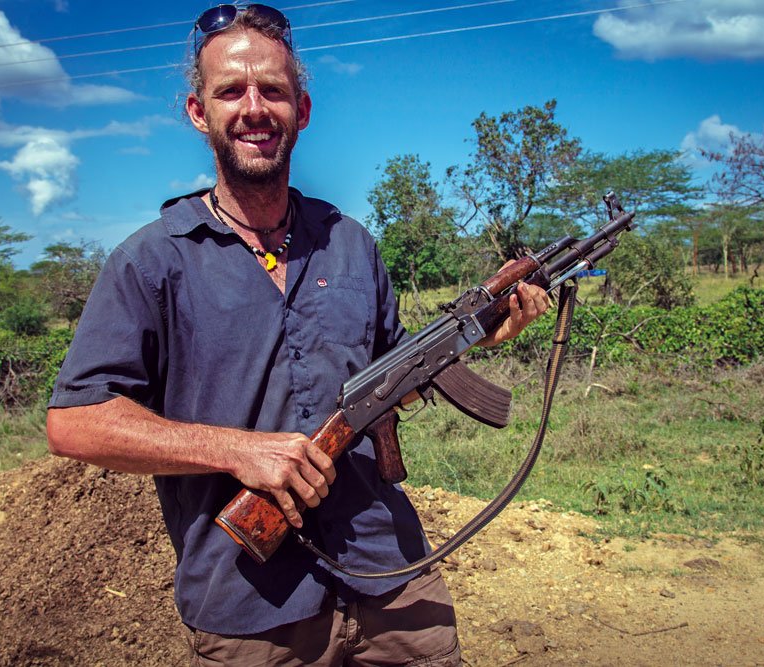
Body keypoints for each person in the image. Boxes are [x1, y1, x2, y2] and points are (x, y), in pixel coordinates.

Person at [46, 4, 550, 665]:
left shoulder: (350, 242)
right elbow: (75, 421)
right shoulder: (151, 261)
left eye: (273, 91)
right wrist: (236, 451)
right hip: (250, 605)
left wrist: (482, 332)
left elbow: (398, 365)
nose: (254, 108)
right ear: (199, 113)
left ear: (302, 110)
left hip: (391, 575)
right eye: (231, 91)